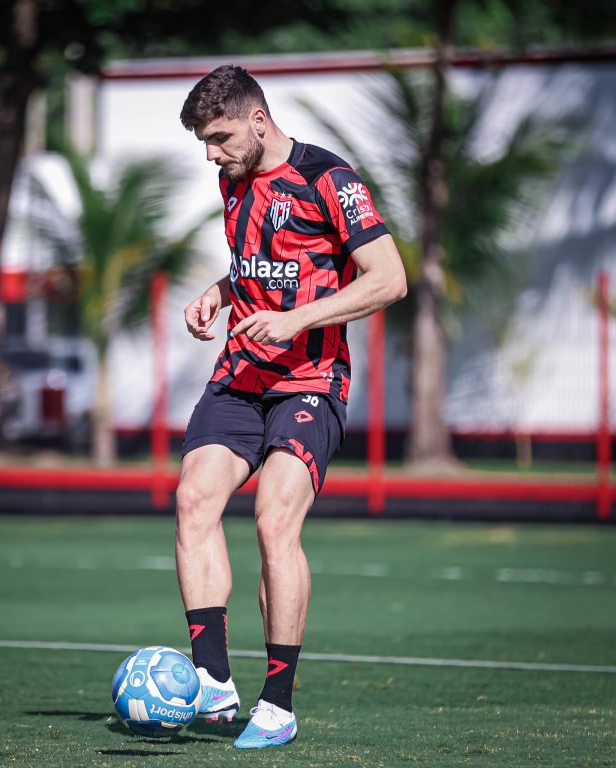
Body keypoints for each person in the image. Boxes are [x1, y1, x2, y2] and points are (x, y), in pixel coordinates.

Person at [176, 64, 407, 749]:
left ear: (257, 120)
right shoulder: (230, 181)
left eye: (219, 137)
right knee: (193, 500)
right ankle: (214, 686)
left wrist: (298, 318)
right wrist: (218, 292)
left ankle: (277, 703)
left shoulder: (330, 180)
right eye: (203, 142)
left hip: (310, 378)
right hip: (240, 376)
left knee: (274, 519)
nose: (211, 154)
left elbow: (390, 279)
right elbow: (257, 262)